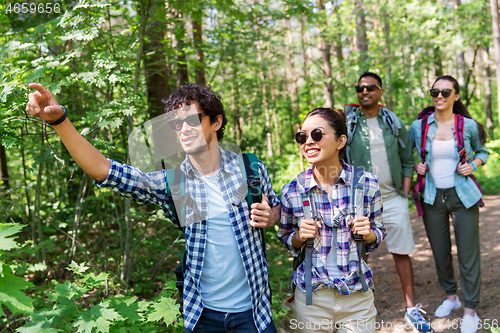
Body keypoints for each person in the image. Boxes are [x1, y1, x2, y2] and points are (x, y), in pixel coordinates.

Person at [25, 83, 281, 333]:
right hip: (202, 316)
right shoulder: (175, 183)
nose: (183, 129)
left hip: (254, 315)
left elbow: (277, 209)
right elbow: (106, 171)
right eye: (176, 123)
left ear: (216, 122)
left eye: (193, 120)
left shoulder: (251, 170)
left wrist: (272, 217)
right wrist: (60, 121)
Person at [278, 107, 387, 333]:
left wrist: (368, 233)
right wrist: (299, 236)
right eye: (302, 136)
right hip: (311, 300)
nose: (308, 141)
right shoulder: (292, 191)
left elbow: (378, 233)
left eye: (317, 134)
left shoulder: (367, 184)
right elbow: (287, 239)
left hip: (358, 297)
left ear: (341, 141)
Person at [345, 72, 432, 333]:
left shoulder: (393, 123)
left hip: (393, 198)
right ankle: (359, 313)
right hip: (359, 201)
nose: (365, 91)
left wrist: (404, 191)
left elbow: (408, 158)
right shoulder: (349, 124)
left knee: (401, 252)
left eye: (371, 87)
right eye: (360, 88)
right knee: (358, 254)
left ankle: (411, 309)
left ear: (380, 92)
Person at [409, 75, 489, 333]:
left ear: (456, 96)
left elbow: (483, 152)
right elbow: (406, 156)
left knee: (468, 253)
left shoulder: (467, 125)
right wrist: (417, 166)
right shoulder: (418, 127)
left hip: (462, 195)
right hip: (431, 197)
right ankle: (451, 298)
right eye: (435, 91)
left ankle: (470, 309)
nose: (440, 96)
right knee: (440, 252)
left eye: (446, 92)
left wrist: (473, 164)